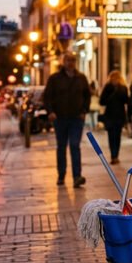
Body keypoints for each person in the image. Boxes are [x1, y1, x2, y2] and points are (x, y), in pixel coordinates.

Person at [44, 52, 90, 188]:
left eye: (73, 60)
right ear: (63, 62)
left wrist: (84, 111)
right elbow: (47, 97)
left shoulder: (81, 78)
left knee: (75, 146)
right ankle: (61, 175)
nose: (71, 62)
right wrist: (50, 112)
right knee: (61, 147)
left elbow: (87, 96)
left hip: (77, 118)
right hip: (60, 118)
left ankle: (77, 176)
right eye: (68, 60)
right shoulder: (55, 78)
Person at [100, 70, 129, 164]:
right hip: (119, 115)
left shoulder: (108, 87)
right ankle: (115, 155)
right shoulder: (123, 88)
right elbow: (126, 101)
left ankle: (113, 156)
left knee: (111, 136)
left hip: (110, 115)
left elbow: (102, 101)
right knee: (117, 136)